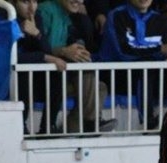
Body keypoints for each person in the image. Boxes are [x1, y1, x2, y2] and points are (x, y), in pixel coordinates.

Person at [96, 0, 167, 129]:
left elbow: (166, 49)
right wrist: (159, 51)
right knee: (146, 66)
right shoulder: (116, 16)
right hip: (117, 75)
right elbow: (123, 53)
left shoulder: (158, 19)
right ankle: (148, 121)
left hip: (149, 76)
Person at [39, 0, 116, 133]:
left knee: (100, 87)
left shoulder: (68, 15)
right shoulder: (45, 10)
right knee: (87, 75)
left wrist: (78, 52)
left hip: (60, 76)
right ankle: (90, 122)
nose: (78, 1)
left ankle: (75, 128)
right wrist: (64, 51)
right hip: (41, 78)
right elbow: (39, 47)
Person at [10, 0, 68, 135]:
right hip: (7, 80)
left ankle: (48, 127)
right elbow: (12, 58)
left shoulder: (36, 18)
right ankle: (20, 125)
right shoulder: (6, 18)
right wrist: (44, 57)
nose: (31, 7)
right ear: (13, 2)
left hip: (34, 81)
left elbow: (47, 50)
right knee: (23, 74)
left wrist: (37, 34)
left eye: (34, 1)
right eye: (25, 2)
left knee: (56, 74)